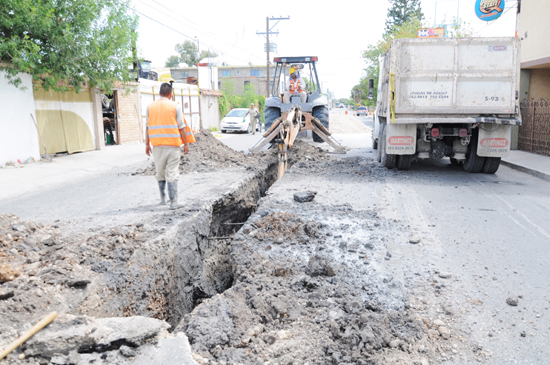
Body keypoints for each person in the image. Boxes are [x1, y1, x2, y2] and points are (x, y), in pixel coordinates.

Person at [145, 82, 190, 210]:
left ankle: (163, 199)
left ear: (159, 93)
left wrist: (147, 145)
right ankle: (174, 202)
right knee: (172, 172)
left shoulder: (150, 107)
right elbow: (182, 127)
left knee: (160, 172)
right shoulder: (175, 106)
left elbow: (147, 127)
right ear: (170, 94)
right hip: (173, 146)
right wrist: (186, 144)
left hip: (157, 145)